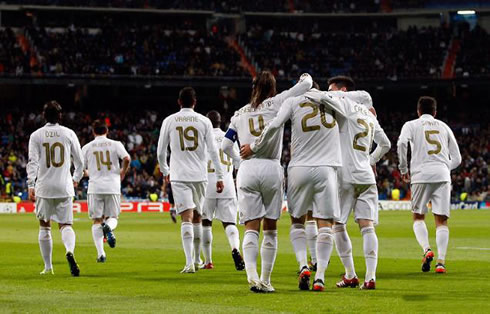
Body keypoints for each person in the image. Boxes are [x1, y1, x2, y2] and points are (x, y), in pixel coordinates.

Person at [241, 81, 361, 291]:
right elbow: (349, 119)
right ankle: (320, 277)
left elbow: (276, 124)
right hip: (326, 168)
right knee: (325, 224)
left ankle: (303, 265)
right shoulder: (332, 101)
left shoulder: (293, 101)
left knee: (297, 221)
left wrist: (254, 146)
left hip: (298, 168)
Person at [222, 71, 313, 293]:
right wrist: (304, 76)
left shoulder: (239, 113)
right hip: (271, 167)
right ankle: (265, 280)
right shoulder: (277, 102)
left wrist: (238, 161)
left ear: (253, 88)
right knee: (270, 228)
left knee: (250, 226)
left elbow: (225, 145)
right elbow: (307, 85)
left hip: (247, 169)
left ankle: (251, 276)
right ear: (272, 88)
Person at [305, 76, 391, 290]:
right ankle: (370, 278)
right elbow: (386, 144)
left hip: (344, 174)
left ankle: (351, 274)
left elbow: (320, 96)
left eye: (334, 89)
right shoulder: (370, 117)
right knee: (367, 226)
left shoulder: (345, 105)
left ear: (343, 91)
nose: (331, 92)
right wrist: (370, 160)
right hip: (365, 175)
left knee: (337, 225)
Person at [157, 87, 225, 274]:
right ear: (195, 102)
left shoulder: (169, 120)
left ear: (179, 102)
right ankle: (197, 259)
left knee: (186, 218)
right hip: (200, 175)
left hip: (179, 175)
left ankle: (190, 263)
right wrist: (219, 176)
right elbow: (213, 151)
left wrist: (165, 170)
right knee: (198, 217)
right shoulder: (204, 121)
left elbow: (161, 151)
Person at [397, 96, 461, 274]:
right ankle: (441, 262)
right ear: (435, 112)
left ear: (418, 112)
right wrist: (442, 167)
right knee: (441, 221)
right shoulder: (444, 126)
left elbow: (401, 143)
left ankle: (426, 249)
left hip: (420, 175)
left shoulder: (411, 125)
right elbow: (457, 158)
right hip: (442, 176)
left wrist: (403, 168)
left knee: (418, 217)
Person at [26, 101, 84, 276]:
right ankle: (69, 251)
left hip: (44, 187)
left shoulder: (36, 135)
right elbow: (80, 162)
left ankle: (48, 267)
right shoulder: (69, 133)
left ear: (44, 116)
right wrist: (75, 179)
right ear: (60, 116)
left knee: (45, 226)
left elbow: (33, 162)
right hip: (64, 186)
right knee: (66, 225)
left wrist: (30, 184)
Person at [201, 110, 245, 271]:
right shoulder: (229, 137)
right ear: (220, 122)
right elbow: (238, 161)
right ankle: (235, 248)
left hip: (207, 184)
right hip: (227, 185)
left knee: (206, 222)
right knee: (229, 223)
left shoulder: (203, 138)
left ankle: (208, 261)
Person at [82, 120, 130, 263]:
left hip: (95, 187)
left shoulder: (87, 147)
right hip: (112, 185)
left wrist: (89, 173)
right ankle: (108, 227)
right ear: (107, 131)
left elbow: (80, 167)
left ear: (93, 131)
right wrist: (123, 171)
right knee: (113, 217)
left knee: (96, 220)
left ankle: (101, 254)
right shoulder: (116, 144)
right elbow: (127, 158)